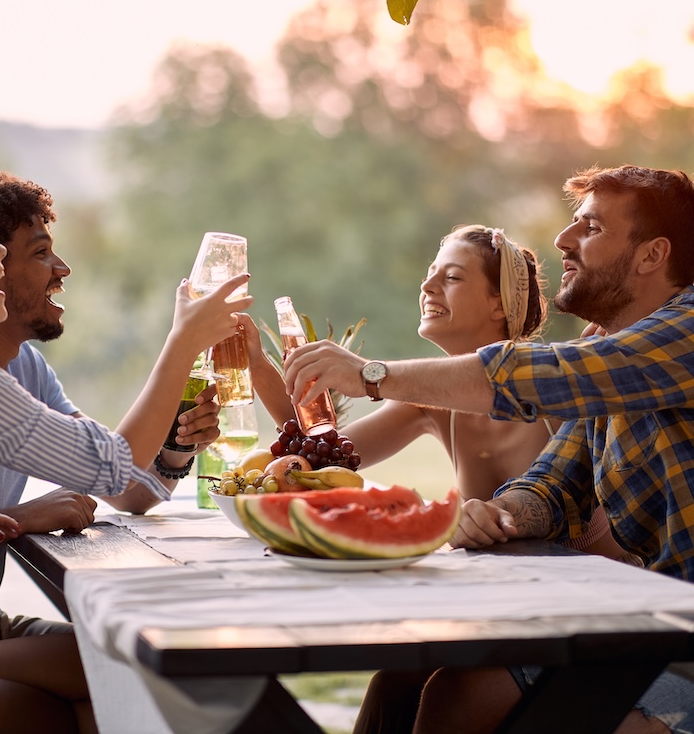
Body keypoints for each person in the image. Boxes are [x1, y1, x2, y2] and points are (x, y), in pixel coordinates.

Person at [282, 164, 694, 734]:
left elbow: (543, 375)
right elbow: (554, 482)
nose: (563, 240)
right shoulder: (606, 349)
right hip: (647, 626)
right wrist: (501, 512)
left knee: (497, 702)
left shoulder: (683, 334)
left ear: (651, 256)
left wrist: (372, 375)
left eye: (591, 227)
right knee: (424, 684)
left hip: (675, 640)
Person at [246, 223, 629, 734]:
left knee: (439, 695)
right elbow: (320, 459)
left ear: (499, 304)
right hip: (491, 608)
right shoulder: (430, 401)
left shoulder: (551, 388)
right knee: (392, 683)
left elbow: (602, 527)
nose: (427, 288)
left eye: (450, 277)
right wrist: (256, 363)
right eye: (429, 275)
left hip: (572, 614)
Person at [0, 196, 250, 733]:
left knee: (128, 684)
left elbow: (123, 476)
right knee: (122, 691)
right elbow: (112, 465)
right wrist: (183, 342)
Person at [0, 170, 221, 648]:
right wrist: (183, 341)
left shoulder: (26, 368)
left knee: (141, 660)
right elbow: (112, 463)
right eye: (40, 252)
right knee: (134, 668)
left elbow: (124, 486)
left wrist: (175, 447)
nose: (61, 269)